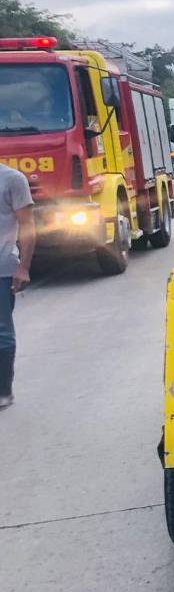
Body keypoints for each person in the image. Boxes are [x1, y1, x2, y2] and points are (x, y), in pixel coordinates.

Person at [0, 162, 35, 409]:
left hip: (2, 268)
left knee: (1, 331)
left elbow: (28, 226)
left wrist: (23, 267)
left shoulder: (12, 179)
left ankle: (3, 391)